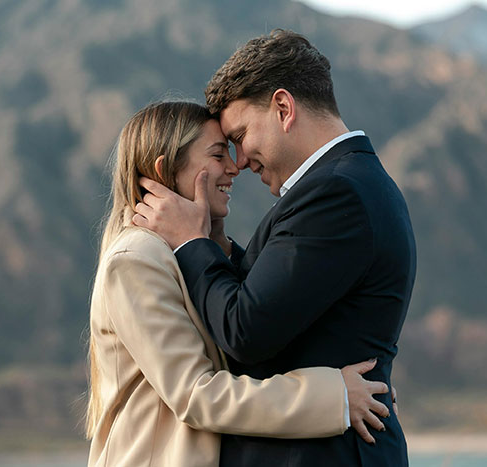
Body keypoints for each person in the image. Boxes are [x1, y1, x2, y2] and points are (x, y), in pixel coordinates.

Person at [133, 30, 416, 466]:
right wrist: (216, 244)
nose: (240, 161)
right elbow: (278, 300)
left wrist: (190, 242)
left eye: (241, 135)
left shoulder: (336, 194)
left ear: (283, 108)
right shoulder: (349, 184)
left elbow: (246, 330)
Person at [85, 101, 392, 467]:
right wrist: (336, 398)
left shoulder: (190, 253)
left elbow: (252, 325)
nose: (235, 167)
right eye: (218, 155)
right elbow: (197, 394)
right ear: (164, 168)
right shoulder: (136, 259)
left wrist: (210, 241)